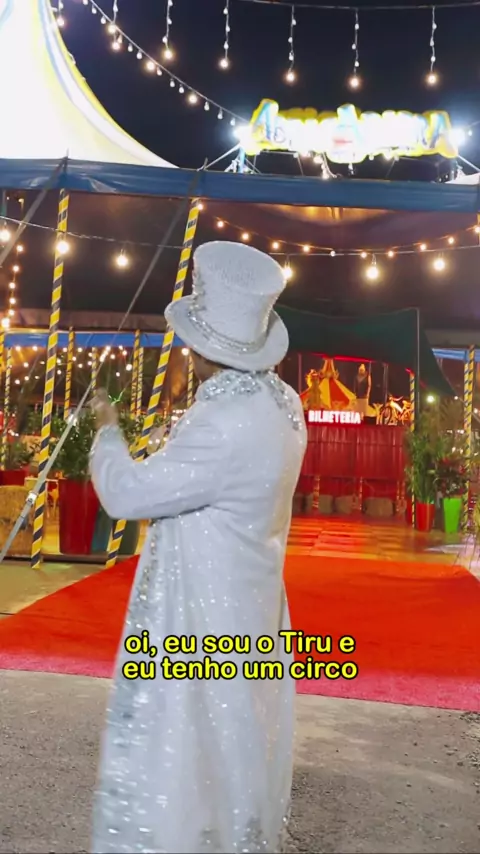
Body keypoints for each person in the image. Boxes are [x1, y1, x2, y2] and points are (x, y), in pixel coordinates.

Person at [89, 241, 307, 854]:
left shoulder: (222, 421)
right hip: (252, 602)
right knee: (236, 741)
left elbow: (127, 495)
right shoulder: (283, 405)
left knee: (186, 745)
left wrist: (108, 435)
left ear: (205, 348)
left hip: (202, 614)